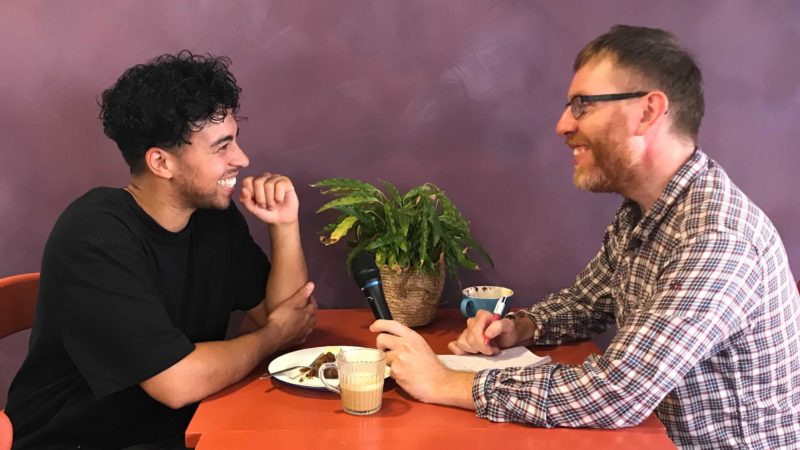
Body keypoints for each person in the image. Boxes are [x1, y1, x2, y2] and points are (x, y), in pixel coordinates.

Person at [371, 25, 800, 449]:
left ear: (648, 112)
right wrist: (519, 328)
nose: (562, 125)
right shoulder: (644, 211)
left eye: (582, 105)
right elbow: (587, 303)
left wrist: (443, 382)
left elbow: (618, 394)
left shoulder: (716, 238)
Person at [5, 51, 317, 449]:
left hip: (183, 429)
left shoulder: (212, 218)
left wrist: (285, 226)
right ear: (161, 162)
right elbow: (177, 382)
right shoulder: (93, 237)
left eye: (235, 140)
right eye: (221, 147)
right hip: (79, 441)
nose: (242, 159)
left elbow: (291, 321)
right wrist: (272, 336)